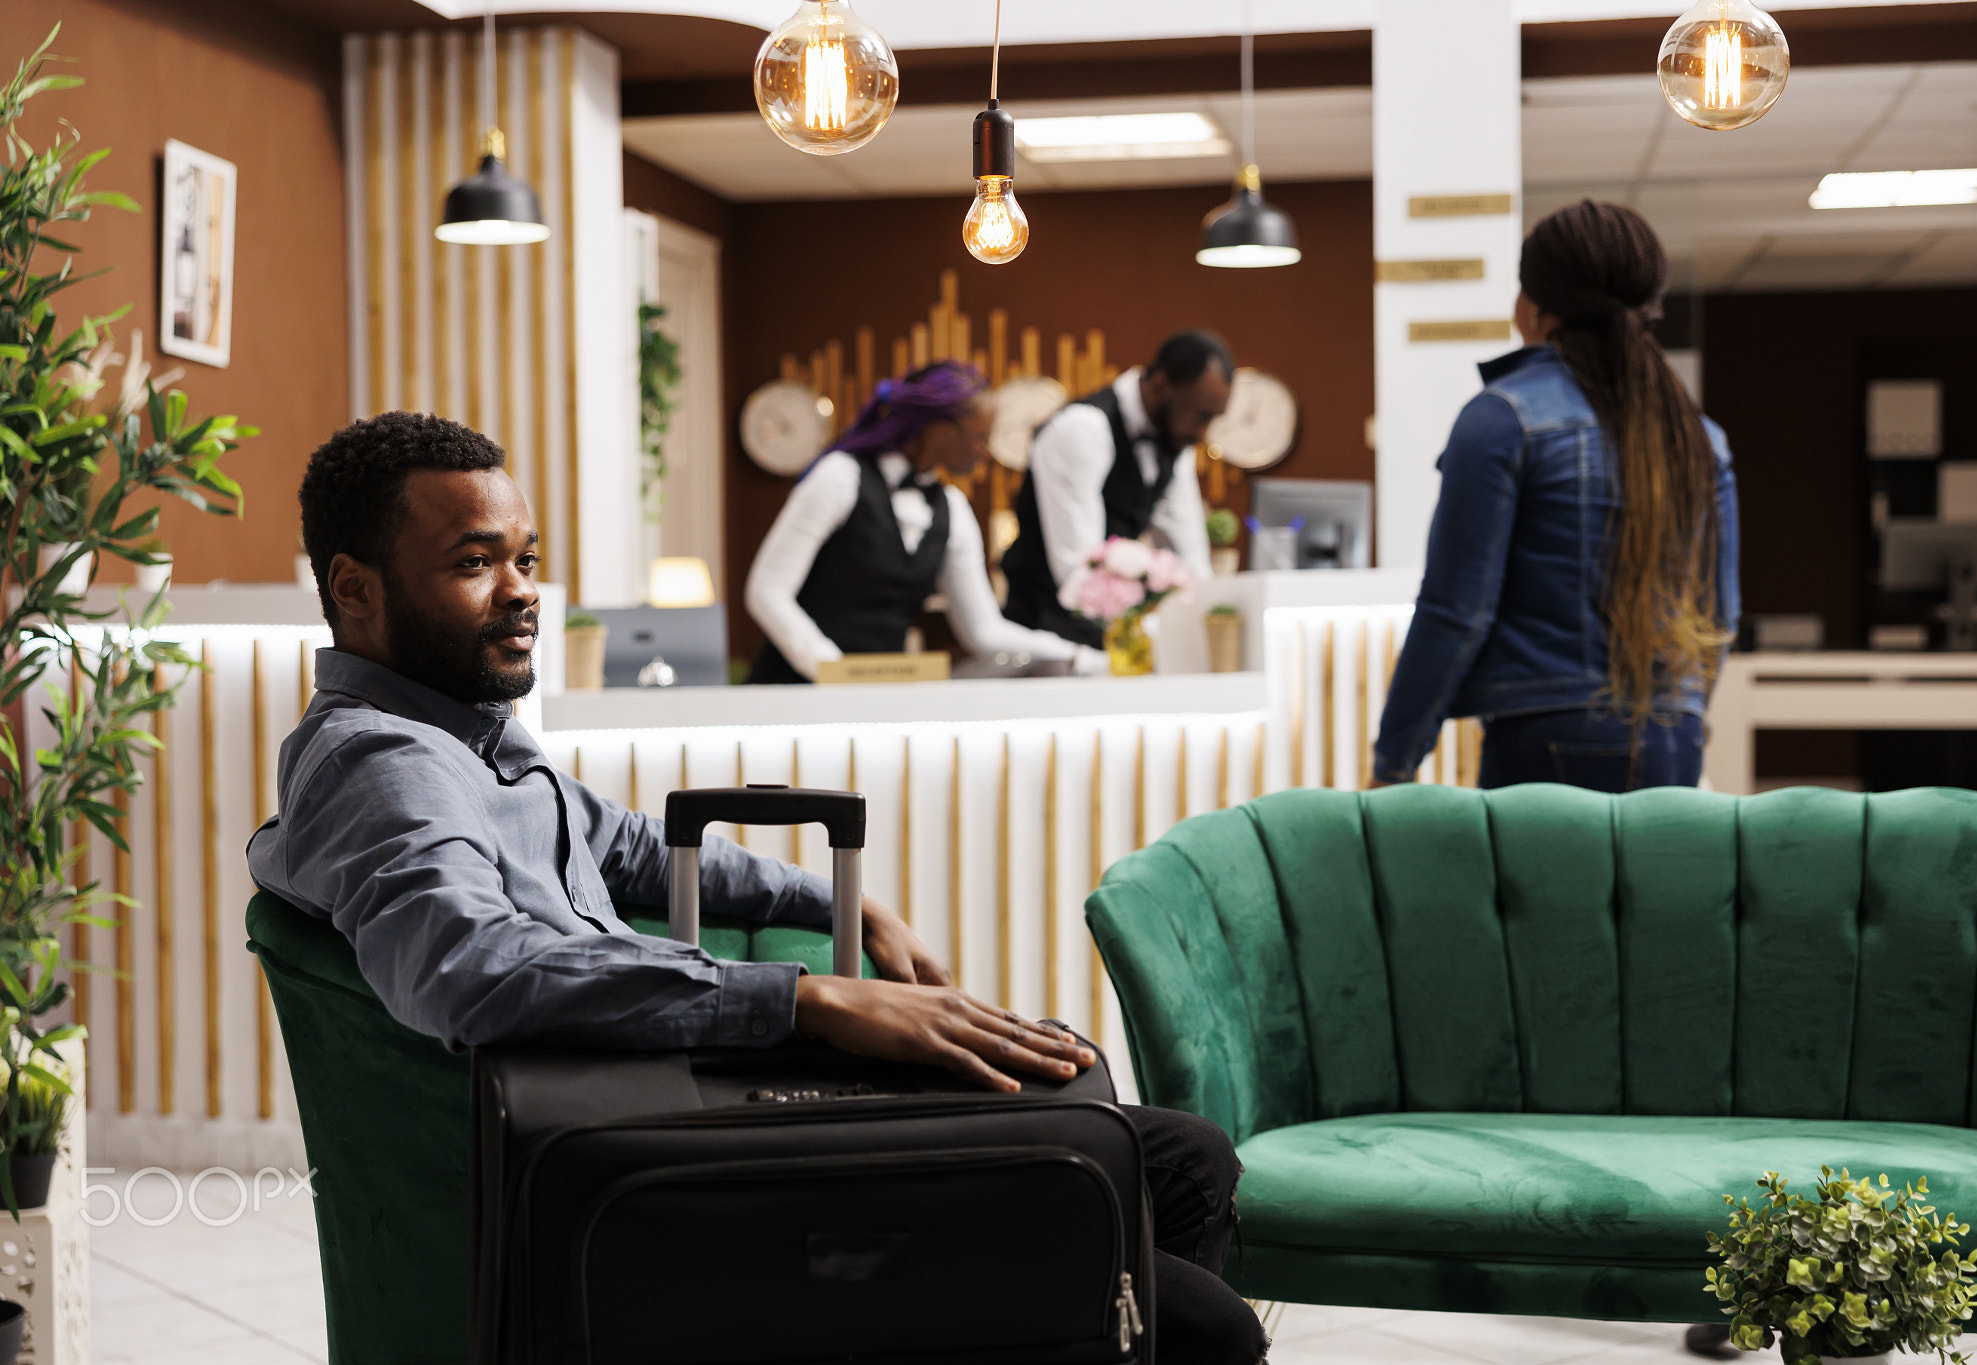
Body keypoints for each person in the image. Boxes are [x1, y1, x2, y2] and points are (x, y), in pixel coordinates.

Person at [250, 411, 1264, 1365]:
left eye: (525, 560)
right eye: (473, 563)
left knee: (1183, 1162)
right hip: (659, 1178)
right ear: (354, 590)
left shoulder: (471, 737)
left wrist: (832, 906)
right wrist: (805, 999)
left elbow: (630, 847)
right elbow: (466, 973)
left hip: (670, 1106)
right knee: (1201, 1313)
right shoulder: (384, 765)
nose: (520, 590)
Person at [1372, 200, 1740, 794]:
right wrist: (1687, 713)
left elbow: (1456, 613)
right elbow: (1720, 614)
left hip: (1547, 740)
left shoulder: (1502, 418)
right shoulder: (1699, 435)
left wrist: (1394, 762)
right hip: (1675, 736)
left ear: (1532, 307)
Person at [745, 361, 1105, 683]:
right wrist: (830, 670)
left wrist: (1074, 655)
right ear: (941, 430)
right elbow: (767, 591)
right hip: (793, 691)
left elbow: (983, 631)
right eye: (980, 437)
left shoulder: (952, 509)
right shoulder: (840, 478)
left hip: (881, 700)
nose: (985, 452)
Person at [1000, 330, 1228, 646]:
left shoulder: (1175, 443)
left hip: (1112, 641)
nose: (1204, 433)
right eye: (1200, 415)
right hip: (1043, 638)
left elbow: (1190, 556)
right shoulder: (1083, 429)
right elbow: (1079, 572)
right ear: (1161, 385)